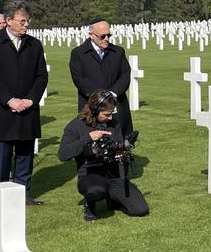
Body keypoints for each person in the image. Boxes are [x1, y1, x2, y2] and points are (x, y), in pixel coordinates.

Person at [0, 0, 48, 206]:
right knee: (1, 156)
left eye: (28, 21)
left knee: (25, 155)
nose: (26, 25)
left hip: (27, 108)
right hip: (3, 109)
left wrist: (29, 100)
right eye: (22, 21)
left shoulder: (34, 44)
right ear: (8, 21)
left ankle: (23, 194)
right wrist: (10, 100)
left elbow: (41, 76)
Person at [58, 90, 148, 221]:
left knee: (140, 209)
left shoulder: (114, 122)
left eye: (112, 113)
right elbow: (63, 154)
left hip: (114, 174)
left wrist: (122, 149)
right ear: (95, 110)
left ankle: (113, 199)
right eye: (107, 114)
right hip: (90, 174)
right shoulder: (76, 125)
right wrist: (88, 137)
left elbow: (117, 144)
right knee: (95, 190)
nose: (110, 117)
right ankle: (90, 204)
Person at [68, 18, 133, 136]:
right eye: (102, 36)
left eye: (109, 35)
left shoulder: (118, 52)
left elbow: (125, 75)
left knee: (121, 143)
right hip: (92, 106)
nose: (107, 39)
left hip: (117, 104)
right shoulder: (78, 54)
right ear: (91, 35)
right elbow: (79, 79)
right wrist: (100, 98)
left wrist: (112, 94)